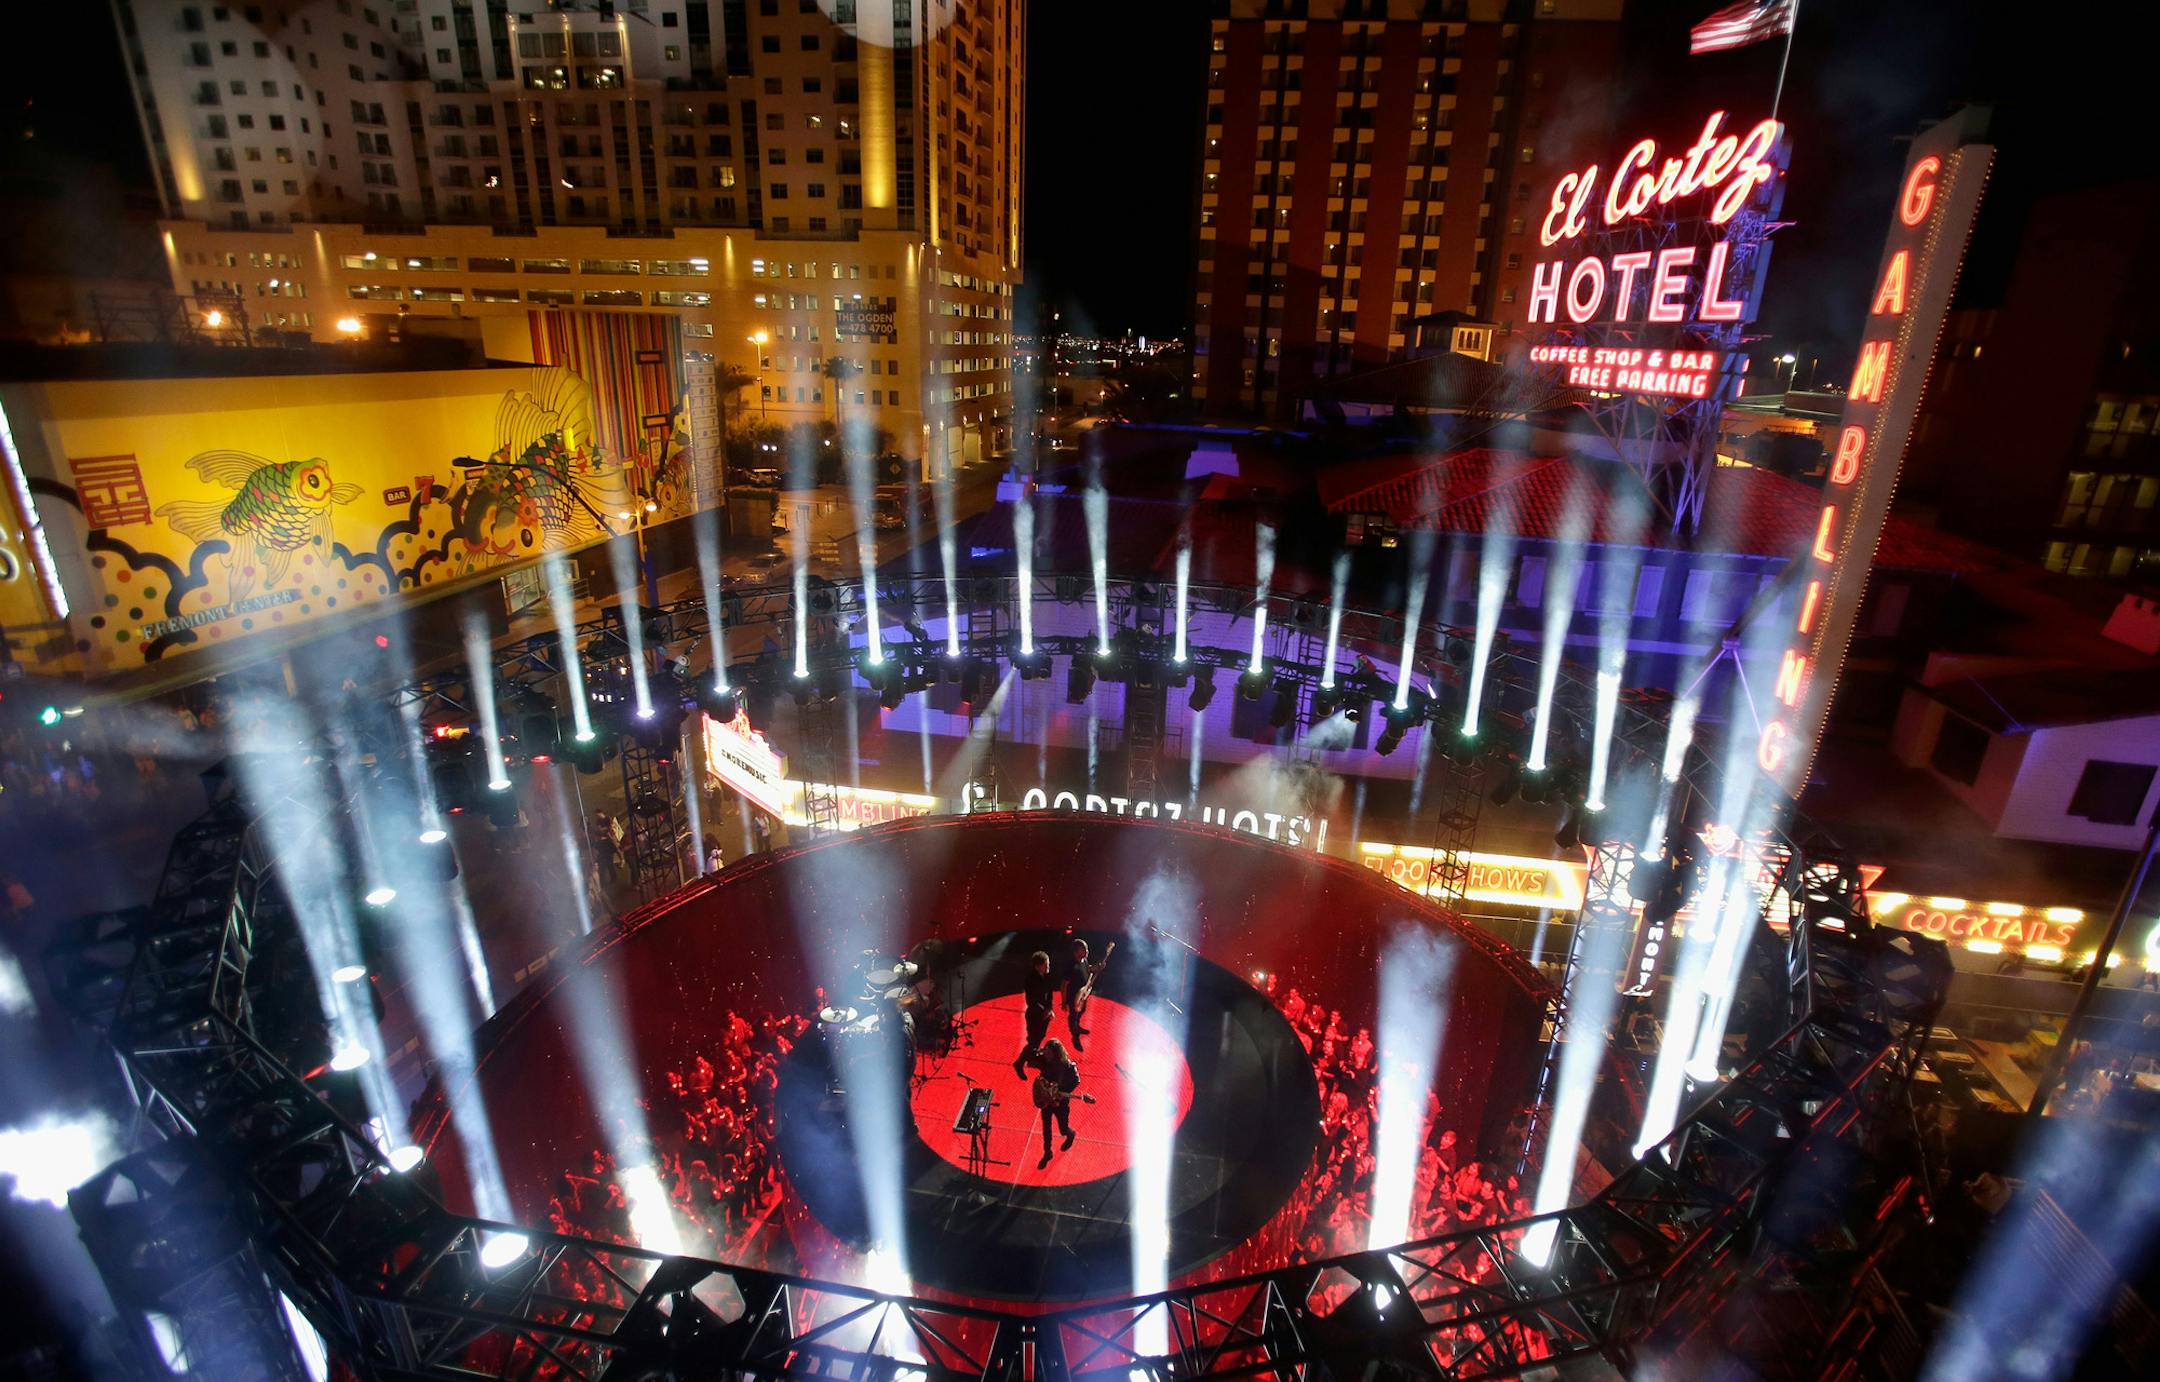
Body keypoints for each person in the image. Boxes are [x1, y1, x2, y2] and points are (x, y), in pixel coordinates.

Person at [1027, 1037, 1081, 1169]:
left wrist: (1061, 1092)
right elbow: (1030, 1058)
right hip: (1046, 1100)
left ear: (1056, 1053)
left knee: (1062, 1128)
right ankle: (1047, 1152)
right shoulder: (1044, 1060)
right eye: (1046, 1051)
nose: (1047, 1054)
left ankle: (1070, 1134)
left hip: (1060, 1102)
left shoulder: (1067, 1066)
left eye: (1049, 1052)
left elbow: (1076, 1081)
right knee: (1046, 1127)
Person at [1013, 950, 1055, 1079]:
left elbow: (1050, 995)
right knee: (1033, 1040)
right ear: (1038, 966)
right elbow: (1031, 1001)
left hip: (1044, 1014)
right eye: (1045, 964)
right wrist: (1044, 1011)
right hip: (1034, 1015)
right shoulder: (1031, 979)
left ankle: (1031, 1059)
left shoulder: (1047, 977)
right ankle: (1019, 1063)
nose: (1048, 967)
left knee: (1039, 1037)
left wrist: (1049, 1009)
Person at [1060, 939, 1104, 1051]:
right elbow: (1064, 984)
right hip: (1073, 996)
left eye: (1087, 948)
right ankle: (1075, 1037)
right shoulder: (1071, 966)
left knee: (1082, 1010)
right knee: (1073, 1016)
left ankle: (1077, 1027)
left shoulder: (1083, 960)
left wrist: (1097, 968)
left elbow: (1088, 968)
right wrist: (1064, 1001)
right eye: (1084, 949)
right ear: (1076, 952)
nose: (1087, 951)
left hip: (1082, 994)